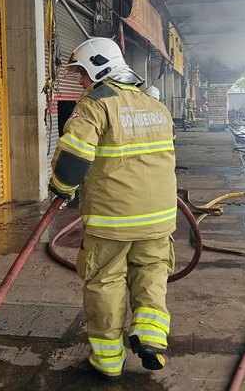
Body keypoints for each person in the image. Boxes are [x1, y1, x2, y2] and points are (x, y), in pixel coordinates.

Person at [49, 37, 176, 380]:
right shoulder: (154, 105)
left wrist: (61, 189)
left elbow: (73, 158)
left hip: (113, 220)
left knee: (105, 282)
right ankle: (150, 340)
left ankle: (107, 360)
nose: (79, 80)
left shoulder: (97, 103)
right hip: (160, 220)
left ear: (98, 66)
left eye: (81, 73)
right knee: (151, 274)